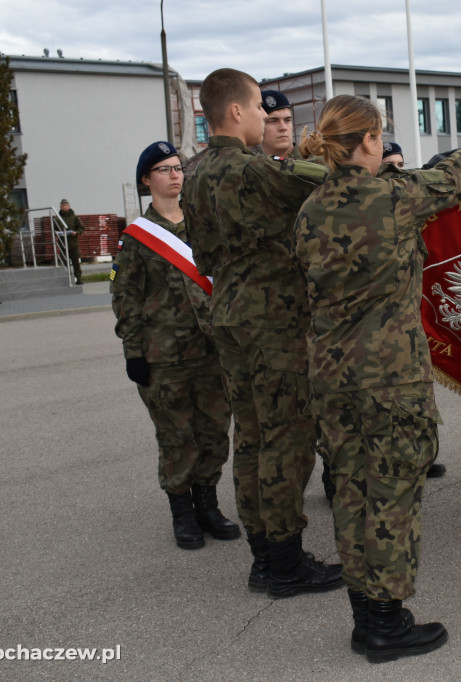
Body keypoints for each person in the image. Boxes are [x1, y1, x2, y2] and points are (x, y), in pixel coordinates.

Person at [294, 94, 461, 662]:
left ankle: (367, 616)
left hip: (331, 377)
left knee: (352, 493)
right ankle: (387, 625)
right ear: (367, 142)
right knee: (391, 495)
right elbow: (451, 179)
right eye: (378, 136)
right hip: (389, 378)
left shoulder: (310, 208)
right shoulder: (393, 198)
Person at [182, 68, 342, 599]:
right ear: (235, 112)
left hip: (227, 313)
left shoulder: (197, 173)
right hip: (272, 320)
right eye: (257, 109)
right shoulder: (249, 170)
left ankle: (264, 556)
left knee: (249, 437)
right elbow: (330, 185)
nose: (261, 117)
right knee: (287, 439)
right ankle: (287, 560)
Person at [110, 140, 240, 551]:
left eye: (178, 167)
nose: (174, 174)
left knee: (214, 432)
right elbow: (125, 300)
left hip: (211, 352)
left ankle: (208, 505)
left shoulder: (203, 225)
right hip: (164, 358)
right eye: (163, 169)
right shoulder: (136, 238)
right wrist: (134, 352)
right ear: (146, 180)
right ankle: (182, 514)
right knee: (177, 437)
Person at [256, 89, 296, 158]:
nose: (283, 127)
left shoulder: (316, 163)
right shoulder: (250, 167)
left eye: (287, 120)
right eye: (273, 121)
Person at [58, 199, 85, 284]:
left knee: (75, 262)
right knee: (65, 262)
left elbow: (81, 228)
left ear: (69, 206)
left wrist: (76, 232)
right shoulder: (57, 218)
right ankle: (68, 278)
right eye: (62, 205)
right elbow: (53, 229)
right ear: (60, 206)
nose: (64, 207)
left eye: (66, 205)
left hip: (73, 243)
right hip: (63, 243)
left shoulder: (74, 217)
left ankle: (78, 278)